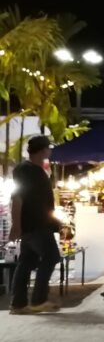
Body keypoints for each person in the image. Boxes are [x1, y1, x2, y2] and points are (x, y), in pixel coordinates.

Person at [8, 135, 60, 314]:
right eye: (49, 148)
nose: (51, 151)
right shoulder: (26, 170)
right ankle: (38, 300)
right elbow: (17, 197)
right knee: (51, 256)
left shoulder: (36, 169)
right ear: (43, 150)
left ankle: (19, 304)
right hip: (35, 224)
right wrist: (16, 225)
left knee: (27, 261)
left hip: (36, 223)